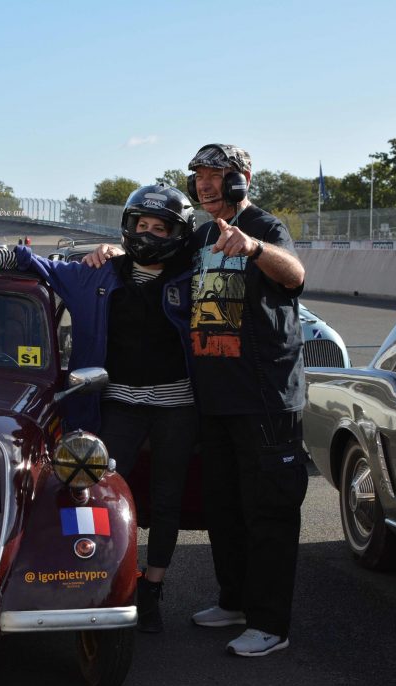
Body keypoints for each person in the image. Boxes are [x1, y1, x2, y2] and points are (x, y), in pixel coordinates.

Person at [85, 144, 308, 657]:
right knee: (223, 507)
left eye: (217, 176)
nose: (206, 185)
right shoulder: (202, 234)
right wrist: (117, 250)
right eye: (200, 177)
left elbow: (294, 276)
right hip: (214, 399)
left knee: (268, 511)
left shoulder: (264, 227)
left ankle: (271, 623)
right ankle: (234, 600)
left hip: (265, 398)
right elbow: (152, 254)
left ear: (242, 178)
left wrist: (253, 248)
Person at [0, 185, 199, 633]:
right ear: (127, 227)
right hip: (118, 403)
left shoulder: (193, 277)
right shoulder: (96, 274)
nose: (148, 233)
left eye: (159, 228)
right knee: (95, 491)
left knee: (167, 499)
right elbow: (34, 262)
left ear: (177, 234)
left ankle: (153, 590)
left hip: (178, 406)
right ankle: (97, 579)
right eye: (141, 225)